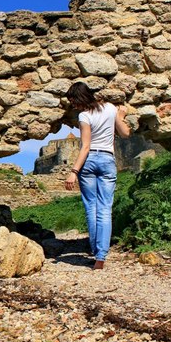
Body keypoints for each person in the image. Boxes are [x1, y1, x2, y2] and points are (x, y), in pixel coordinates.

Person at [64, 82, 131, 270]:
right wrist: (121, 116)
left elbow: (85, 146)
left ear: (81, 99)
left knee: (91, 207)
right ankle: (100, 256)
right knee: (104, 209)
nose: (74, 106)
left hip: (89, 161)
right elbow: (125, 133)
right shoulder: (110, 108)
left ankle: (96, 251)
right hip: (107, 160)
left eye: (74, 102)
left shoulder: (84, 115)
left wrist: (73, 172)